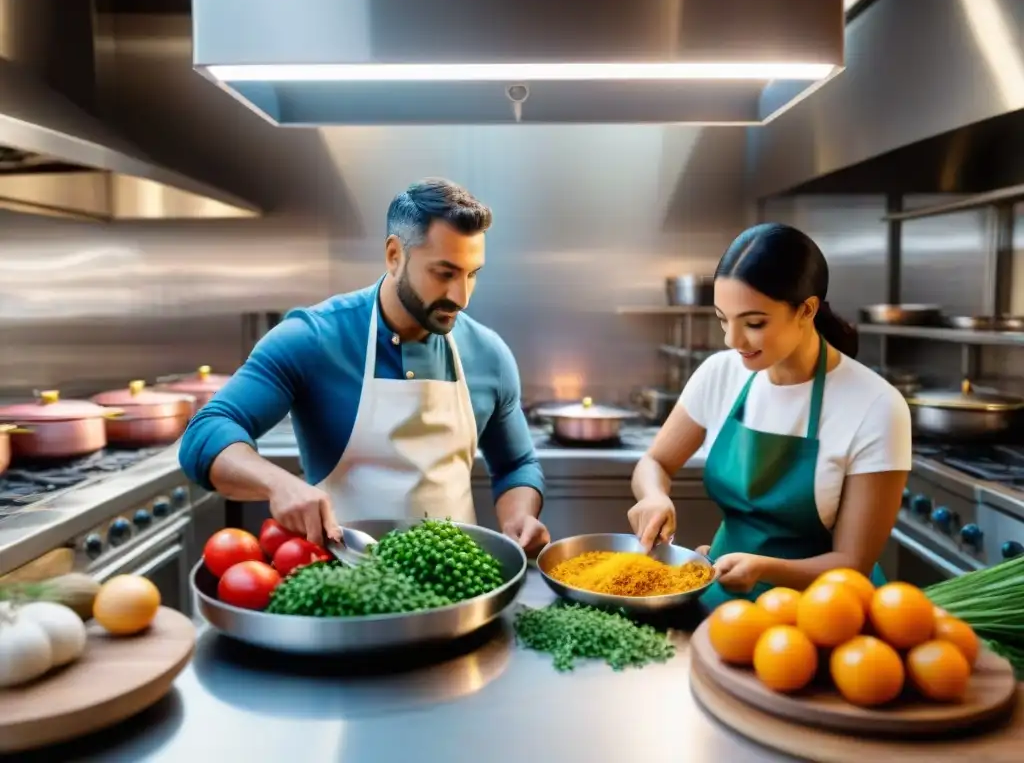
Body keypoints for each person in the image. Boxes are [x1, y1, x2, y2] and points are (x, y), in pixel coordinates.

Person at [178, 178, 549, 555]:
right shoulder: (313, 339)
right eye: (444, 273)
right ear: (394, 255)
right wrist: (278, 484)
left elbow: (516, 464)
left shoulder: (488, 354)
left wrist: (519, 514)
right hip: (342, 587)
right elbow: (206, 432)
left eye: (472, 274)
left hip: (454, 590)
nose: (462, 297)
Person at [628, 223, 912, 610]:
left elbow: (852, 564)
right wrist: (654, 496)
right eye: (723, 319)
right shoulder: (720, 372)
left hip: (825, 616)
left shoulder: (876, 405)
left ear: (807, 310)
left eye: (754, 323)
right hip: (724, 596)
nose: (732, 340)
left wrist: (763, 569)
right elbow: (655, 461)